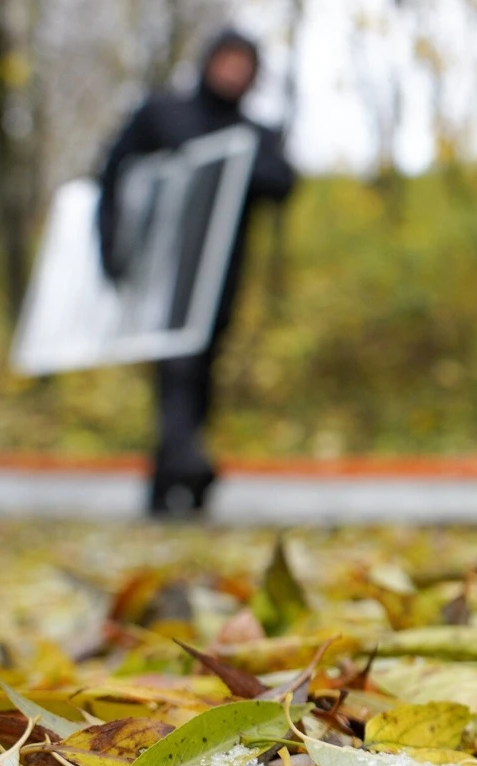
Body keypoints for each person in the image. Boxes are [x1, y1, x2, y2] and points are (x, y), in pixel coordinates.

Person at [97, 27, 296, 517]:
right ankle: (188, 463)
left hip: (220, 277)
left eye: (243, 65)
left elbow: (284, 183)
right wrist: (111, 250)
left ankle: (167, 487)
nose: (233, 73)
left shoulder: (254, 134)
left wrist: (234, 166)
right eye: (226, 61)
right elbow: (114, 175)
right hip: (161, 273)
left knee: (200, 371)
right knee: (175, 368)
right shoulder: (162, 115)